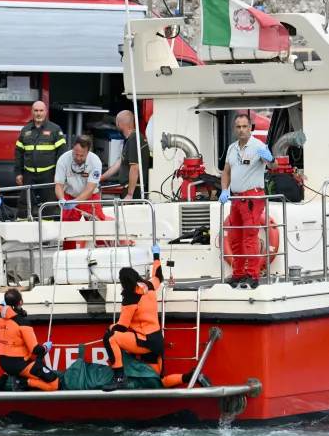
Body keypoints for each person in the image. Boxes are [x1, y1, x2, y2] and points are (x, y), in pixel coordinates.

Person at [102, 250, 212, 392]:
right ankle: (192, 376)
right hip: (156, 341)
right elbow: (158, 276)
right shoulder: (150, 286)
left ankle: (119, 377)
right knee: (159, 381)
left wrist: (111, 327)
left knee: (110, 338)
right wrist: (156, 256)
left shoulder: (130, 299)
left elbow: (122, 327)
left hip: (143, 341)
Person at [219, 114, 279, 289]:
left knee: (250, 238)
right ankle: (238, 274)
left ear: (250, 128)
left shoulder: (258, 147)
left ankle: (252, 275)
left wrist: (271, 159)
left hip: (252, 198)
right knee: (236, 238)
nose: (241, 130)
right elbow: (226, 172)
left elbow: (274, 167)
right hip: (236, 198)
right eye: (238, 127)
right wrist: (225, 189)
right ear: (234, 129)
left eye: (244, 126)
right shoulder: (232, 148)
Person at [0, 288, 58, 391]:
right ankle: (23, 382)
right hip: (20, 364)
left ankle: (4, 379)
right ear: (20, 302)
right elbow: (35, 350)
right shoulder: (22, 323)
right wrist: (45, 347)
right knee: (54, 384)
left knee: (20, 358)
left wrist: (3, 305)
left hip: (3, 363)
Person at [14, 101, 66, 220]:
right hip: (28, 174)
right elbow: (18, 154)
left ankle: (46, 236)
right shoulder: (25, 130)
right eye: (36, 111)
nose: (38, 113)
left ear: (46, 112)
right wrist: (18, 173)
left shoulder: (55, 129)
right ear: (32, 112)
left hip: (49, 174)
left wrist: (58, 174)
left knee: (48, 206)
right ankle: (21, 233)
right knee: (23, 205)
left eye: (41, 110)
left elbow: (62, 154)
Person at [53, 134, 105, 250]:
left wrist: (76, 201)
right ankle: (67, 254)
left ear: (88, 151)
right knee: (67, 229)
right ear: (73, 148)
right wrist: (62, 199)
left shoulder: (95, 161)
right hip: (69, 195)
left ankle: (103, 251)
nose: (79, 158)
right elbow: (58, 185)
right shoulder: (63, 159)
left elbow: (90, 189)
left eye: (82, 155)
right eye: (76, 154)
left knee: (99, 226)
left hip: (90, 197)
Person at [100, 110, 152, 199]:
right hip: (131, 189)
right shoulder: (131, 139)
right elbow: (120, 162)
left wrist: (130, 194)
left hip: (135, 190)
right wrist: (102, 178)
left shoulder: (134, 139)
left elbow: (134, 167)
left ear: (120, 124)